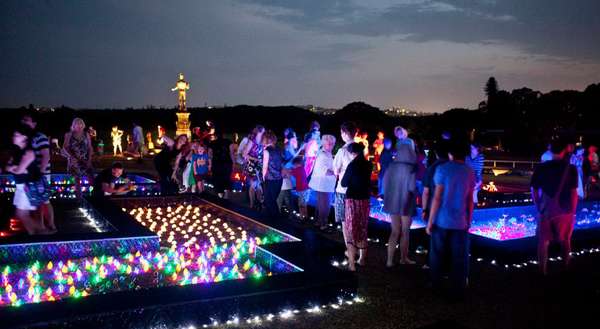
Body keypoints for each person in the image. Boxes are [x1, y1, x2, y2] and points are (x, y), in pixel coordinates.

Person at [426, 140, 474, 298]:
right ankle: (458, 288)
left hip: (441, 219)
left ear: (450, 154)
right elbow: (469, 200)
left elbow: (437, 197)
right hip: (460, 221)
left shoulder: (442, 169)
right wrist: (469, 220)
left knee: (437, 253)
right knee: (459, 256)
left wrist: (430, 220)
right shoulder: (469, 172)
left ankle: (435, 284)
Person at [531, 139, 578, 275]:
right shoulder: (571, 169)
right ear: (565, 150)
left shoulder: (541, 168)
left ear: (550, 150)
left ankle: (542, 271)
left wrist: (539, 207)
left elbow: (533, 190)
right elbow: (573, 193)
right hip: (565, 211)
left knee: (543, 242)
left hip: (545, 210)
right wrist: (573, 212)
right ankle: (565, 267)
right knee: (566, 240)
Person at [5, 125, 53, 235]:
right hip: (20, 186)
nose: (14, 137)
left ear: (24, 137)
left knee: (21, 214)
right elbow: (9, 167)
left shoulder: (29, 153)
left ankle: (44, 231)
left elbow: (18, 170)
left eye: (17, 135)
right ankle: (35, 233)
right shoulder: (17, 152)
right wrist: (13, 168)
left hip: (27, 187)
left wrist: (13, 168)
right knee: (22, 214)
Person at [383, 143, 417, 267]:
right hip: (406, 203)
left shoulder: (391, 166)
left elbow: (385, 184)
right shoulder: (411, 168)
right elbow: (412, 187)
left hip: (393, 202)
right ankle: (403, 258)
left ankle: (389, 260)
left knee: (394, 231)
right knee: (405, 232)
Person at [21, 110, 56, 232]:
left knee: (45, 200)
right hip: (31, 174)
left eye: (27, 120)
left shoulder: (40, 137)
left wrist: (40, 174)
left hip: (41, 174)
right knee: (36, 202)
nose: (24, 122)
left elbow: (46, 156)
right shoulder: (26, 137)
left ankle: (51, 226)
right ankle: (41, 226)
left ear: (34, 123)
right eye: (23, 120)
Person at [341, 143, 371, 271]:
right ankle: (362, 259)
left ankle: (352, 263)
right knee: (362, 227)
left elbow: (343, 183)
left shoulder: (352, 165)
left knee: (351, 229)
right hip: (364, 199)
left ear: (353, 153)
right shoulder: (369, 164)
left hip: (352, 199)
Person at [421, 141, 450, 269]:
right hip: (449, 207)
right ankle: (446, 265)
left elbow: (426, 192)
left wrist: (424, 209)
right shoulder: (452, 167)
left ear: (436, 153)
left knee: (433, 238)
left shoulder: (432, 168)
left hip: (434, 207)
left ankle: (432, 265)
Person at [334, 122, 358, 249]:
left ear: (344, 133)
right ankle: (358, 251)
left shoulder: (342, 151)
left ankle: (350, 250)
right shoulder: (360, 150)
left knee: (345, 222)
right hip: (357, 190)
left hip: (343, 190)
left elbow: (335, 170)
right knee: (354, 221)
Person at [308, 134, 336, 230]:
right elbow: (324, 170)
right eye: (329, 144)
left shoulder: (325, 153)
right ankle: (323, 224)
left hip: (323, 184)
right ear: (324, 144)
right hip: (324, 184)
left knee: (321, 204)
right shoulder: (323, 154)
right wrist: (336, 173)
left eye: (332, 144)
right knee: (325, 205)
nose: (332, 145)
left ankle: (319, 222)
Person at [62, 118, 94, 199]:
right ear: (73, 125)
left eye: (81, 124)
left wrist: (89, 160)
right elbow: (65, 147)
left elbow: (90, 147)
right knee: (77, 180)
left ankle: (92, 197)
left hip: (85, 159)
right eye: (77, 124)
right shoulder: (69, 134)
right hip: (74, 160)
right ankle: (79, 200)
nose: (79, 125)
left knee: (91, 178)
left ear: (83, 125)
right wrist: (72, 157)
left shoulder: (86, 134)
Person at [242, 125, 265, 210]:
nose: (264, 132)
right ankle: (252, 204)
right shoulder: (252, 142)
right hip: (251, 166)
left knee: (259, 186)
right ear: (259, 131)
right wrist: (255, 159)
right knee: (253, 186)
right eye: (263, 131)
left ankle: (260, 203)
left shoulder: (262, 142)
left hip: (259, 166)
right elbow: (244, 154)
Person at [262, 130, 283, 219]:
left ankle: (276, 221)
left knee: (269, 201)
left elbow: (265, 166)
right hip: (279, 179)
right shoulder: (278, 149)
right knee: (272, 200)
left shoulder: (267, 151)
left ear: (266, 140)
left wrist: (263, 177)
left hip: (270, 179)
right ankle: (271, 219)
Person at [208, 128, 234, 199]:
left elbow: (210, 155)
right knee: (226, 178)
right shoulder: (229, 142)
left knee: (217, 179)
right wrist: (233, 163)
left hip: (216, 163)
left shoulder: (212, 143)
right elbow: (231, 153)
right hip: (227, 163)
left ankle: (220, 195)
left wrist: (210, 165)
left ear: (216, 135)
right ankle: (226, 196)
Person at [278, 130, 298, 213]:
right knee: (284, 192)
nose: (296, 138)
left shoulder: (291, 146)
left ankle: (288, 211)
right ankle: (278, 211)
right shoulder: (287, 146)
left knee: (288, 192)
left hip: (289, 171)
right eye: (294, 136)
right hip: (286, 171)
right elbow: (286, 160)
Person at [290, 157, 310, 221]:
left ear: (297, 164)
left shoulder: (298, 169)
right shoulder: (301, 169)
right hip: (305, 189)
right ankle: (305, 216)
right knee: (304, 204)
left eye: (294, 164)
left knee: (301, 205)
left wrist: (286, 169)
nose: (294, 166)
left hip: (302, 190)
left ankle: (302, 217)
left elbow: (289, 172)